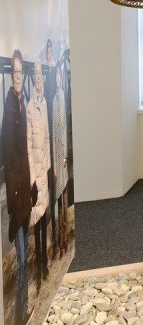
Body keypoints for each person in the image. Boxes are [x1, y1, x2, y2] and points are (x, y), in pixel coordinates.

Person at [2, 50, 32, 325]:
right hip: (16, 192)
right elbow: (8, 152)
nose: (18, 76)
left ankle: (24, 306)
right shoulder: (10, 104)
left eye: (21, 71)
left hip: (25, 192)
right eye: (15, 72)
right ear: (11, 76)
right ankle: (21, 314)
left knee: (25, 254)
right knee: (21, 258)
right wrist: (12, 193)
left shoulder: (24, 101)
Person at [27, 58, 51, 291]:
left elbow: (47, 138)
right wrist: (32, 178)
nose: (37, 78)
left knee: (44, 218)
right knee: (37, 216)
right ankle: (38, 267)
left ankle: (44, 264)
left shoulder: (43, 103)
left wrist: (49, 166)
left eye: (39, 74)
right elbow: (27, 145)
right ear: (32, 78)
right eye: (34, 75)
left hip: (45, 168)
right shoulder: (30, 107)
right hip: (36, 174)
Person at [43, 39, 58, 259]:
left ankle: (54, 236)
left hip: (54, 140)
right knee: (48, 192)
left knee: (54, 192)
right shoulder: (47, 81)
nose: (49, 56)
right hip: (46, 142)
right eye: (47, 54)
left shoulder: (54, 79)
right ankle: (50, 236)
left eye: (51, 53)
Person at [52, 63, 69, 256]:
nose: (57, 78)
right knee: (58, 197)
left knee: (64, 198)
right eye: (55, 75)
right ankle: (59, 240)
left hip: (62, 156)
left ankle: (65, 239)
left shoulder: (62, 96)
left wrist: (64, 156)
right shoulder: (53, 100)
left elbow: (63, 128)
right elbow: (53, 132)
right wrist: (56, 165)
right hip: (57, 157)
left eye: (59, 75)